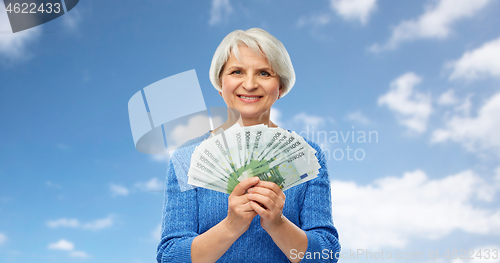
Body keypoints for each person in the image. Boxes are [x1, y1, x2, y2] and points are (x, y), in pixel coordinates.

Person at [157, 28, 340, 263]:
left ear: (280, 86)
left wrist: (277, 223)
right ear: (220, 83)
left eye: (264, 73)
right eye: (237, 71)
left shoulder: (309, 157)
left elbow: (325, 255)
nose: (250, 84)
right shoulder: (186, 158)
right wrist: (232, 225)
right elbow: (171, 257)